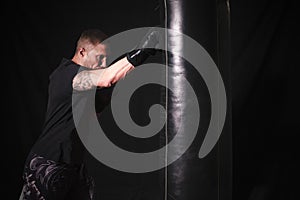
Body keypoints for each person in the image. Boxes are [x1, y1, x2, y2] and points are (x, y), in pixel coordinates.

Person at [19, 28, 160, 200]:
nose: (103, 63)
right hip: (49, 162)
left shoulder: (88, 87)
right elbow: (107, 77)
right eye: (100, 58)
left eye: (106, 59)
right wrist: (141, 53)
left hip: (74, 165)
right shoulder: (68, 73)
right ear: (82, 52)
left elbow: (99, 103)